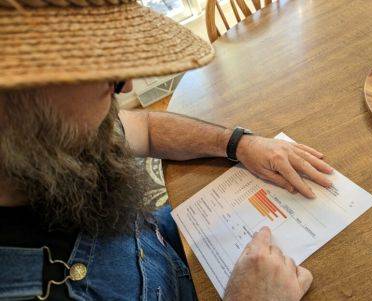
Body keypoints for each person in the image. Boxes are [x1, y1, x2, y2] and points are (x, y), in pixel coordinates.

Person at [0, 0, 333, 300]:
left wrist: (238, 143)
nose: (127, 85)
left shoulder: (54, 137)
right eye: (99, 69)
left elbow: (145, 126)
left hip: (175, 246)